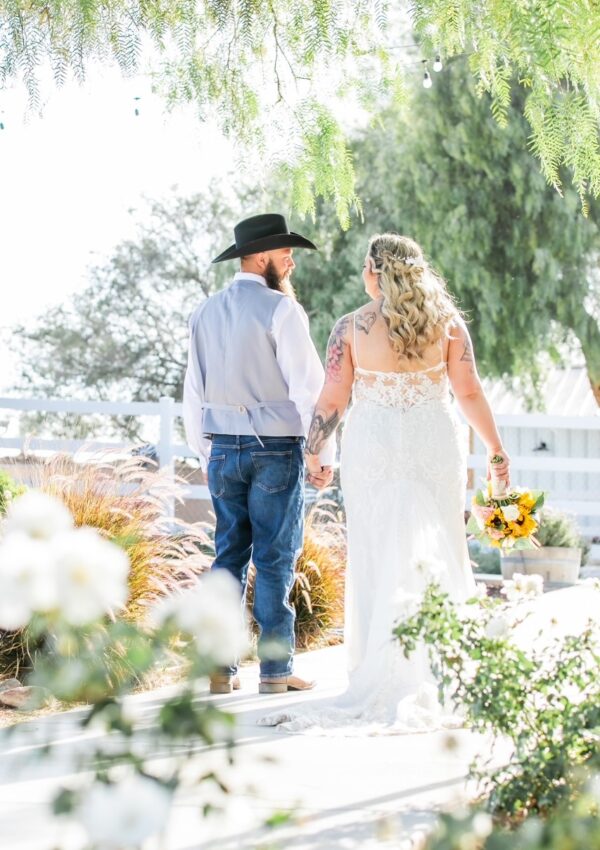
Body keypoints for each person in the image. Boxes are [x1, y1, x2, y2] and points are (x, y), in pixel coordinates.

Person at [259, 232, 510, 734]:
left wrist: (313, 452)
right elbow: (469, 391)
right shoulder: (448, 325)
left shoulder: (350, 328)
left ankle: (379, 661)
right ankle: (443, 662)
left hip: (371, 447)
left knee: (376, 548)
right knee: (441, 541)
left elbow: (331, 400)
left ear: (375, 270)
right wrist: (495, 450)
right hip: (434, 443)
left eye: (363, 266)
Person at [183, 213, 335, 695]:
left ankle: (218, 667)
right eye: (286, 252)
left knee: (227, 557)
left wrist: (207, 451)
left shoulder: (203, 312)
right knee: (274, 559)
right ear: (262, 256)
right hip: (276, 449)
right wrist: (322, 452)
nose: (291, 261)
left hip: (222, 450)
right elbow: (310, 391)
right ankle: (274, 671)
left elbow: (193, 393)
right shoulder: (281, 310)